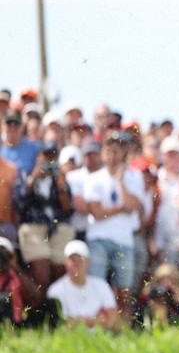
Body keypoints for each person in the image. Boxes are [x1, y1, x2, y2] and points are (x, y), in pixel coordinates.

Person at [84, 131, 146, 323]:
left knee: (124, 292)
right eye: (108, 150)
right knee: (97, 286)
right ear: (102, 153)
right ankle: (96, 329)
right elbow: (96, 212)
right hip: (98, 239)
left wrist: (120, 181)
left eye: (116, 150)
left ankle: (123, 330)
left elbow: (133, 206)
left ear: (122, 153)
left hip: (123, 241)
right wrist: (121, 209)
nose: (112, 155)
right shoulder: (94, 178)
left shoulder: (135, 176)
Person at [14, 141, 75, 295]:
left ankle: (55, 306)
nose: (49, 161)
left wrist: (61, 186)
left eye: (52, 157)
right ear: (38, 157)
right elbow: (19, 204)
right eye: (45, 156)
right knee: (42, 276)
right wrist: (33, 179)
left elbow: (68, 209)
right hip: (33, 226)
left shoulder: (60, 178)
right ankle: (41, 306)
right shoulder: (27, 175)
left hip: (57, 227)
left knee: (60, 272)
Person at [46, 240, 120, 331]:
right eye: (72, 259)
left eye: (80, 259)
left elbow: (114, 321)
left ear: (88, 262)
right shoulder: (55, 290)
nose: (76, 263)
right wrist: (97, 321)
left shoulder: (101, 285)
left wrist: (78, 320)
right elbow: (60, 324)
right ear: (65, 262)